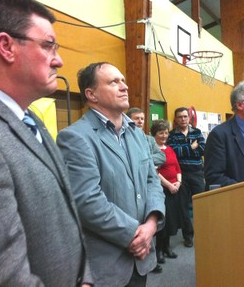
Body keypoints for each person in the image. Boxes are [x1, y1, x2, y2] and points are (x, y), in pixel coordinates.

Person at [0, 0, 91, 286]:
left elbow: (67, 216)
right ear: (6, 46)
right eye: (48, 46)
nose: (59, 61)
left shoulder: (30, 120)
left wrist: (85, 277)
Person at [56, 62, 165, 286]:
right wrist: (134, 235)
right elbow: (87, 200)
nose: (124, 86)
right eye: (114, 82)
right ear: (91, 94)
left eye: (123, 80)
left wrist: (151, 225)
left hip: (141, 256)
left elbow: (152, 181)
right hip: (108, 265)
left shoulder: (137, 134)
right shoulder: (75, 138)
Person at [126, 107, 165, 274]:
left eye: (142, 118)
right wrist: (142, 162)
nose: (140, 121)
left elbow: (161, 157)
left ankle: (152, 259)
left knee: (150, 223)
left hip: (148, 186)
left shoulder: (147, 138)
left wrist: (146, 161)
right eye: (136, 118)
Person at [167, 107, 206, 248]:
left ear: (189, 118)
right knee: (183, 207)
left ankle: (203, 234)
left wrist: (184, 149)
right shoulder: (171, 135)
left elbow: (202, 149)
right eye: (180, 117)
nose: (183, 119)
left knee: (202, 204)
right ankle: (188, 236)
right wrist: (191, 147)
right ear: (176, 119)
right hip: (180, 174)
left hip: (197, 173)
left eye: (185, 116)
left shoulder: (197, 132)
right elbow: (173, 152)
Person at [151, 120, 182, 265]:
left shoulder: (169, 149)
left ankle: (167, 247)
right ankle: (158, 250)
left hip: (174, 188)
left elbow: (177, 167)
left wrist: (178, 182)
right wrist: (170, 185)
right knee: (161, 221)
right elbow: (155, 172)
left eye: (166, 132)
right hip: (162, 189)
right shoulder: (153, 151)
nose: (164, 135)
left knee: (171, 220)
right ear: (154, 134)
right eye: (161, 133)